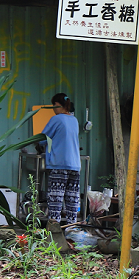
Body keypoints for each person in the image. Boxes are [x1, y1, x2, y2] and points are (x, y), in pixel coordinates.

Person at [42, 92, 81, 225]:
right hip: (75, 164)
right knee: (72, 200)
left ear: (58, 105)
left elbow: (43, 138)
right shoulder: (74, 120)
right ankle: (72, 228)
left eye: (54, 105)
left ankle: (55, 229)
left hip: (59, 163)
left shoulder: (56, 119)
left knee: (56, 200)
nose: (53, 109)